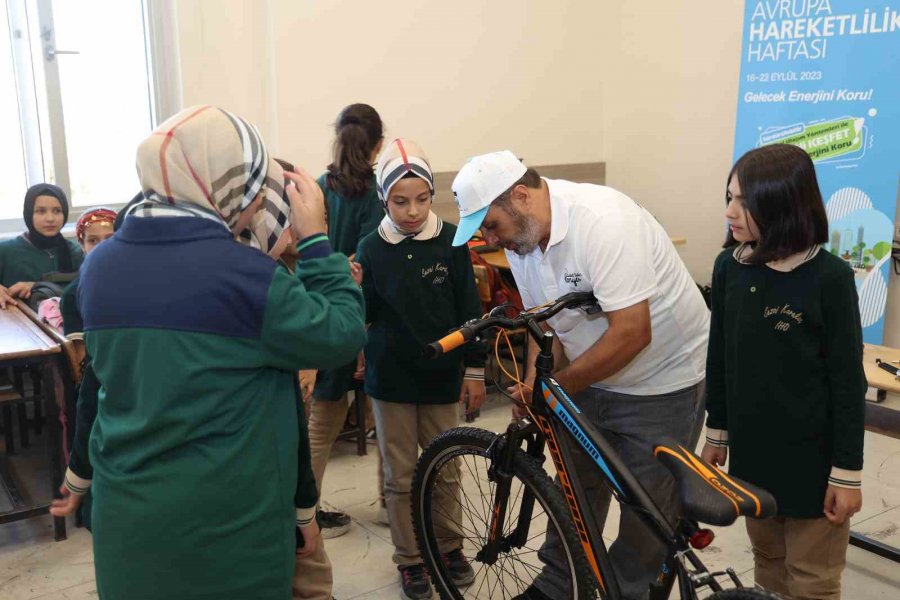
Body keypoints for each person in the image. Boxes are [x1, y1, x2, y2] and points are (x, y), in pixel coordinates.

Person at [49, 105, 367, 600]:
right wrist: (317, 241)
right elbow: (342, 332)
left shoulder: (100, 267)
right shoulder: (247, 278)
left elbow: (102, 384)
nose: (259, 198)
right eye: (255, 185)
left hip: (128, 523)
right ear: (226, 183)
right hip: (226, 529)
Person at [451, 151, 710, 600]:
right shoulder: (525, 241)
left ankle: (630, 590)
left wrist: (557, 389)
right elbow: (541, 323)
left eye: (491, 225)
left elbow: (633, 333)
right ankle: (560, 581)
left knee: (646, 514)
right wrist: (535, 385)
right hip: (591, 376)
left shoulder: (604, 222)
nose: (490, 238)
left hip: (664, 382)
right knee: (573, 487)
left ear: (520, 196)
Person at [700, 144, 865, 600]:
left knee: (811, 579)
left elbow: (849, 384)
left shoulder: (829, 278)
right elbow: (721, 360)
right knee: (768, 568)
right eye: (728, 196)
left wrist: (846, 475)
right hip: (755, 461)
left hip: (814, 467)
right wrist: (718, 433)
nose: (729, 211)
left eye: (743, 201)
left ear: (780, 204)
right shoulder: (730, 268)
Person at [357, 138, 486, 600]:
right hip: (390, 377)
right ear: (383, 200)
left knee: (446, 467)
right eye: (399, 201)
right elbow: (369, 309)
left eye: (422, 199)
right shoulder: (371, 246)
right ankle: (410, 560)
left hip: (440, 375)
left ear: (434, 196)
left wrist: (474, 371)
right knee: (400, 474)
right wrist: (354, 290)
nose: (412, 211)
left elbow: (470, 310)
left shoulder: (453, 239)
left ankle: (449, 548)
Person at [309, 103, 385, 539]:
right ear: (377, 145)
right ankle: (392, 505)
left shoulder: (319, 187)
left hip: (325, 313)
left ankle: (306, 512)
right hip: (368, 315)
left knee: (322, 423)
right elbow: (368, 258)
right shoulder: (378, 194)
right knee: (387, 420)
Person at [0, 184, 83, 307]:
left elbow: (84, 289)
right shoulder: (6, 250)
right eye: (41, 211)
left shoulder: (75, 252)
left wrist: (36, 286)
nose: (50, 218)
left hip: (64, 322)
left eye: (57, 211)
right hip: (17, 322)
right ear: (29, 213)